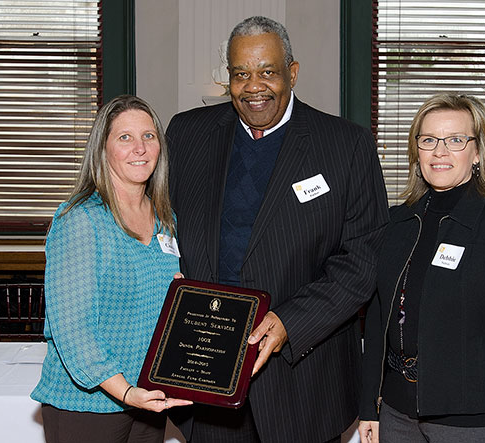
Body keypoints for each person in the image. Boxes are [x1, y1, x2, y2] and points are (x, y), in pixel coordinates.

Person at [166, 15, 389, 443]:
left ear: (293, 73)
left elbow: (363, 258)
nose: (254, 86)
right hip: (205, 378)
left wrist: (289, 321)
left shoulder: (347, 146)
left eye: (267, 71)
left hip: (303, 383)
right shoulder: (186, 134)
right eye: (240, 74)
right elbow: (157, 227)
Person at [358, 94, 485, 443]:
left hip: (468, 423)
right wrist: (370, 404)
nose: (440, 151)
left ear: (477, 152)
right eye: (428, 140)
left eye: (456, 140)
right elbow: (379, 316)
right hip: (396, 414)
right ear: (417, 151)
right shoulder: (397, 222)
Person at [31, 95, 192, 443]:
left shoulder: (166, 219)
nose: (140, 148)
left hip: (146, 397)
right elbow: (73, 329)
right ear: (102, 150)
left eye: (149, 136)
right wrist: (124, 390)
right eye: (125, 138)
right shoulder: (82, 219)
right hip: (87, 403)